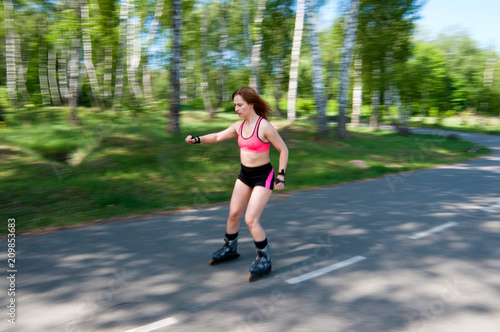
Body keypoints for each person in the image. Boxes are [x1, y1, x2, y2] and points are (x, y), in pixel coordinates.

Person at [185, 87, 289, 281]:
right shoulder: (238, 126)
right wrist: (197, 139)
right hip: (245, 175)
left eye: (240, 105)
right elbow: (217, 136)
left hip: (263, 176)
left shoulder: (264, 126)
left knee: (251, 219)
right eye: (235, 105)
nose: (236, 109)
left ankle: (264, 259)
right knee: (233, 214)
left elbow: (283, 150)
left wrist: (281, 175)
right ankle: (230, 248)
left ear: (251, 104)